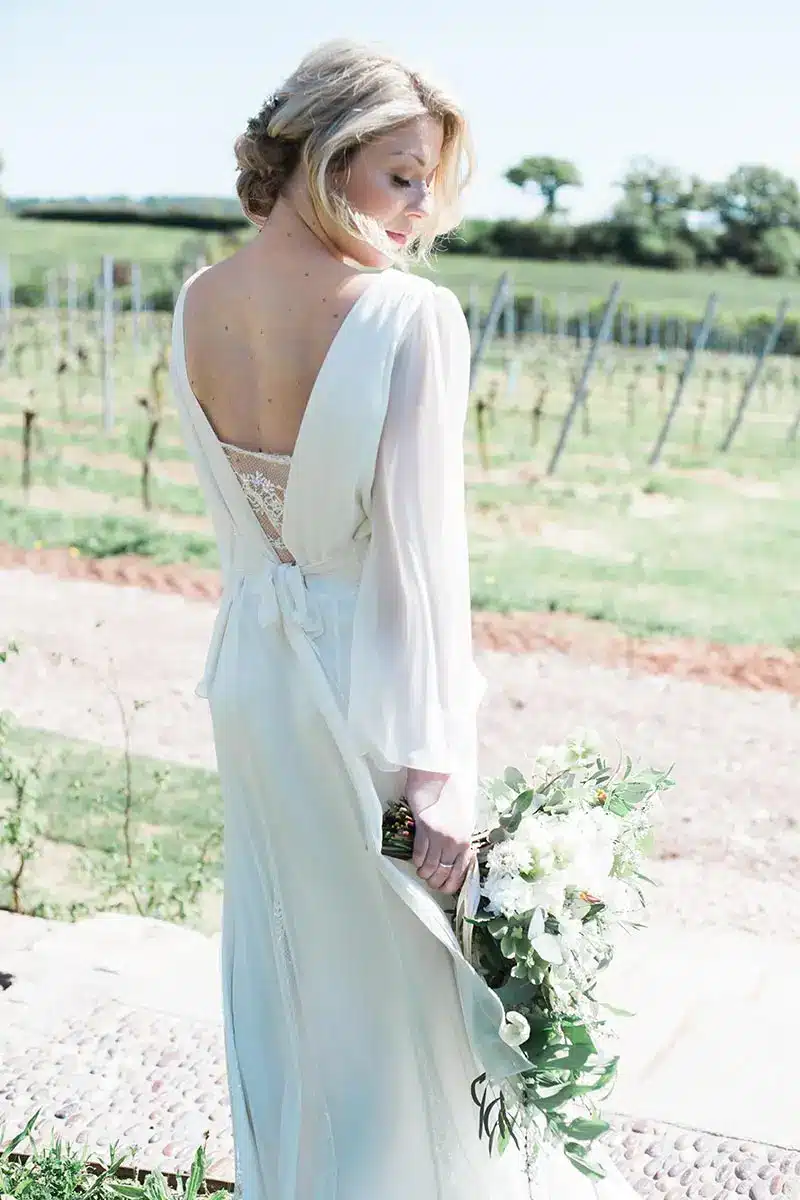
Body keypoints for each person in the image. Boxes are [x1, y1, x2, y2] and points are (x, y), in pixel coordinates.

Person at [171, 37, 637, 1200]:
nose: (423, 212)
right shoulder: (405, 316)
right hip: (368, 690)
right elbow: (427, 568)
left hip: (253, 685)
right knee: (405, 989)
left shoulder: (198, 299)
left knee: (289, 963)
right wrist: (442, 779)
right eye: (402, 174)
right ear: (324, 158)